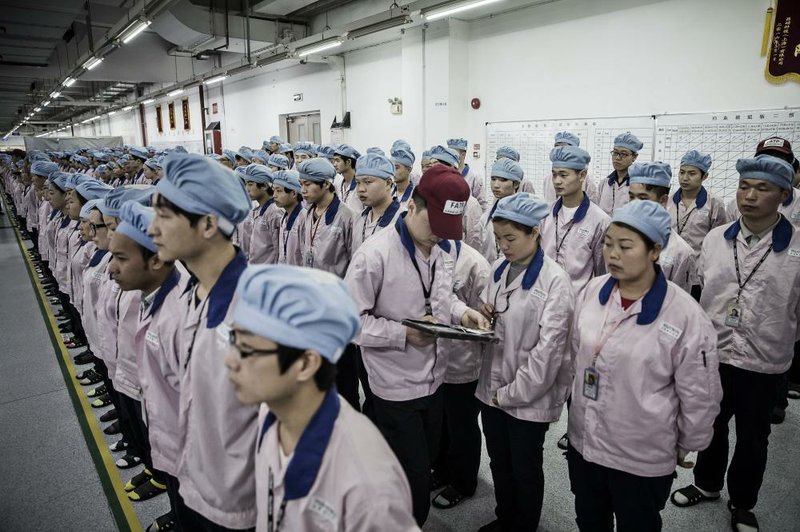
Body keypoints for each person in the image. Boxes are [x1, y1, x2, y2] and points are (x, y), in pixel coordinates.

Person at [224, 265, 419, 532]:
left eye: (246, 349)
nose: (229, 360)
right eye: (233, 340)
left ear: (305, 364)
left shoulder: (367, 487)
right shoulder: (270, 414)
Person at [345, 164, 489, 526]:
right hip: (395, 386)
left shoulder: (444, 249)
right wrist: (403, 333)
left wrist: (462, 313)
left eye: (446, 232)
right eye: (434, 227)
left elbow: (441, 301)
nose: (439, 238)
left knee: (422, 466)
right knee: (410, 481)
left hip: (434, 379)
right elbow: (349, 323)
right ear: (413, 207)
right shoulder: (374, 256)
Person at [568, 199, 721, 532]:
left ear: (655, 251)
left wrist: (686, 445)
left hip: (641, 455)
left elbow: (700, 394)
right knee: (589, 520)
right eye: (608, 244)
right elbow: (575, 354)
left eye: (625, 246)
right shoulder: (593, 292)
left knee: (638, 524)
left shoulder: (684, 316)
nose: (612, 254)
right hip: (586, 442)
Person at [671, 155, 800, 532]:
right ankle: (707, 484)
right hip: (715, 353)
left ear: (784, 195)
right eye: (745, 186)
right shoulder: (715, 239)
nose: (750, 196)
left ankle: (743, 503)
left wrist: (780, 336)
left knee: (754, 436)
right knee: (711, 423)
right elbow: (701, 290)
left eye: (763, 188)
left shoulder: (796, 247)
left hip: (765, 360)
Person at [149, 153, 256, 532]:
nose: (152, 229)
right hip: (197, 480)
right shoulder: (190, 294)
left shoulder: (257, 314)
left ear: (208, 224)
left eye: (164, 217)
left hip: (241, 503)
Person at [476, 193, 574, 532]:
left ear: (535, 232)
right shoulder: (499, 269)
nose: (502, 245)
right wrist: (483, 314)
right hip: (493, 387)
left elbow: (549, 355)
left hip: (527, 397)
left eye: (510, 238)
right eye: (498, 237)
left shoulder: (555, 281)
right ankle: (506, 518)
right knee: (500, 462)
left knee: (525, 467)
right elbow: (494, 311)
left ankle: (524, 526)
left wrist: (510, 394)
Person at [430, 240, 490, 511]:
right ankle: (442, 469)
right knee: (441, 419)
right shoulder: (425, 252)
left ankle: (464, 481)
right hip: (433, 357)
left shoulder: (475, 263)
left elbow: (484, 320)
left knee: (462, 424)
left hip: (464, 360)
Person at [540, 146, 610, 297]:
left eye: (564, 175)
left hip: (578, 302)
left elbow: (602, 273)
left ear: (582, 175)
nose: (557, 181)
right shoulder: (544, 215)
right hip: (544, 298)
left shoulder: (599, 221)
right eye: (554, 175)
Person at [666, 150, 729, 299]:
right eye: (682, 172)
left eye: (692, 173)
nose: (685, 178)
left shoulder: (714, 204)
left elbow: (718, 242)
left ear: (704, 176)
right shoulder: (668, 201)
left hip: (696, 273)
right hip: (668, 267)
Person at [628, 162, 695, 292]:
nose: (634, 205)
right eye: (631, 197)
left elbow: (679, 302)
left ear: (663, 201)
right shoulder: (620, 239)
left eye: (643, 198)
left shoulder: (680, 252)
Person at [428, 145, 483, 250]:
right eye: (431, 167)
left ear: (453, 170)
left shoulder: (470, 204)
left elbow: (474, 243)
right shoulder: (429, 200)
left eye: (438, 168)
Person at [352, 152, 402, 251]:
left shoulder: (401, 221)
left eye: (368, 182)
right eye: (358, 182)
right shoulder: (359, 218)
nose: (360, 189)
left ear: (388, 183)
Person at [478, 158, 524, 263]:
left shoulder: (525, 218)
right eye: (493, 179)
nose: (496, 185)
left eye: (503, 180)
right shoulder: (485, 218)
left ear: (516, 184)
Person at [241, 164, 282, 264]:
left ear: (264, 186)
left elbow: (279, 251)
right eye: (246, 184)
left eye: (250, 184)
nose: (247, 189)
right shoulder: (258, 210)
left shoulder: (275, 212)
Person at [541, 132, 597, 203]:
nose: (560, 150)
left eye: (564, 147)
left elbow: (592, 202)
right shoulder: (548, 178)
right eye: (557, 146)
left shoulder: (586, 177)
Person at [596, 132, 642, 215]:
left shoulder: (638, 185)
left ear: (634, 157)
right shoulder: (604, 183)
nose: (617, 158)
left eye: (623, 154)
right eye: (615, 153)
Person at [272, 169, 304, 266]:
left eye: (279, 191)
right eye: (274, 191)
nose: (274, 195)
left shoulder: (304, 219)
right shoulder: (284, 218)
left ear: (293, 193)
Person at [447, 138, 487, 211]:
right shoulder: (446, 175)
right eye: (448, 154)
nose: (450, 157)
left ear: (463, 155)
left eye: (454, 154)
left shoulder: (475, 177)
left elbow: (482, 205)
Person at [332, 144, 363, 213]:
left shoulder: (360, 185)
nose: (334, 164)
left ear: (348, 162)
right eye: (334, 161)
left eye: (337, 161)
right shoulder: (339, 184)